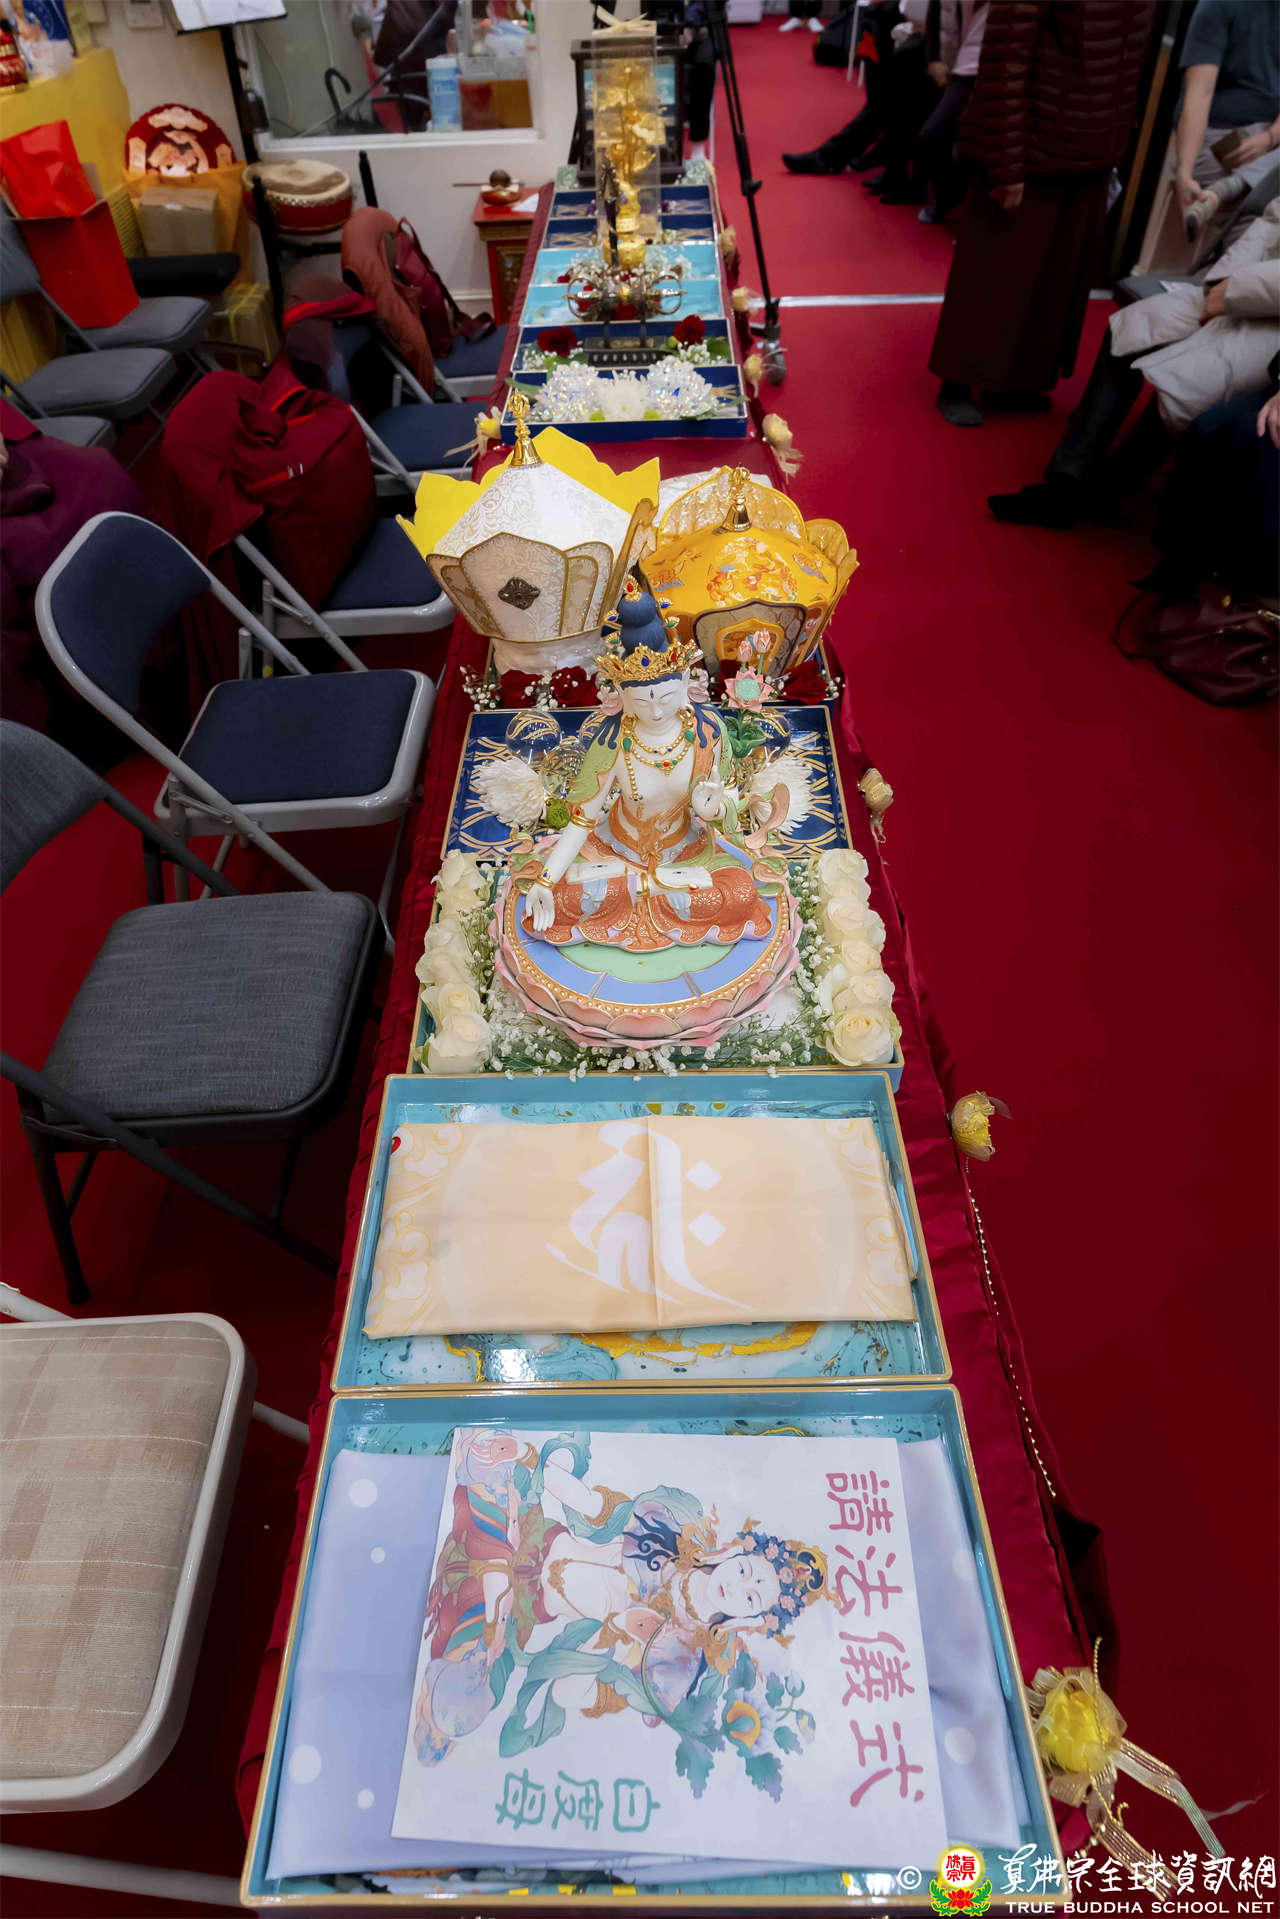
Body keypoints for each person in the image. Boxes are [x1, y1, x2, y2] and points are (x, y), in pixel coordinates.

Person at [929, 0, 1157, 428]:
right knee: (990, 275)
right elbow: (1005, 61)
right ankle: (958, 380)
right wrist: (1006, 163)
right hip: (1028, 143)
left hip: (1091, 148)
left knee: (1052, 285)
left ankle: (1012, 380)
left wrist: (1117, 144)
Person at [989, 197, 1280, 526]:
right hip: (1237, 289)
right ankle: (1068, 478)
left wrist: (1233, 293)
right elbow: (1271, 222)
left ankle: (1108, 489)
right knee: (1128, 332)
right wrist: (1220, 284)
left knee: (1181, 388)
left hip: (1273, 323)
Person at [1173, 0, 1280, 246]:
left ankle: (1232, 186)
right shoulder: (1219, 4)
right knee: (1254, 217)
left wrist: (1270, 137)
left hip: (1271, 138)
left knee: (1262, 215)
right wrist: (1184, 172)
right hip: (1222, 135)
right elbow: (1199, 95)